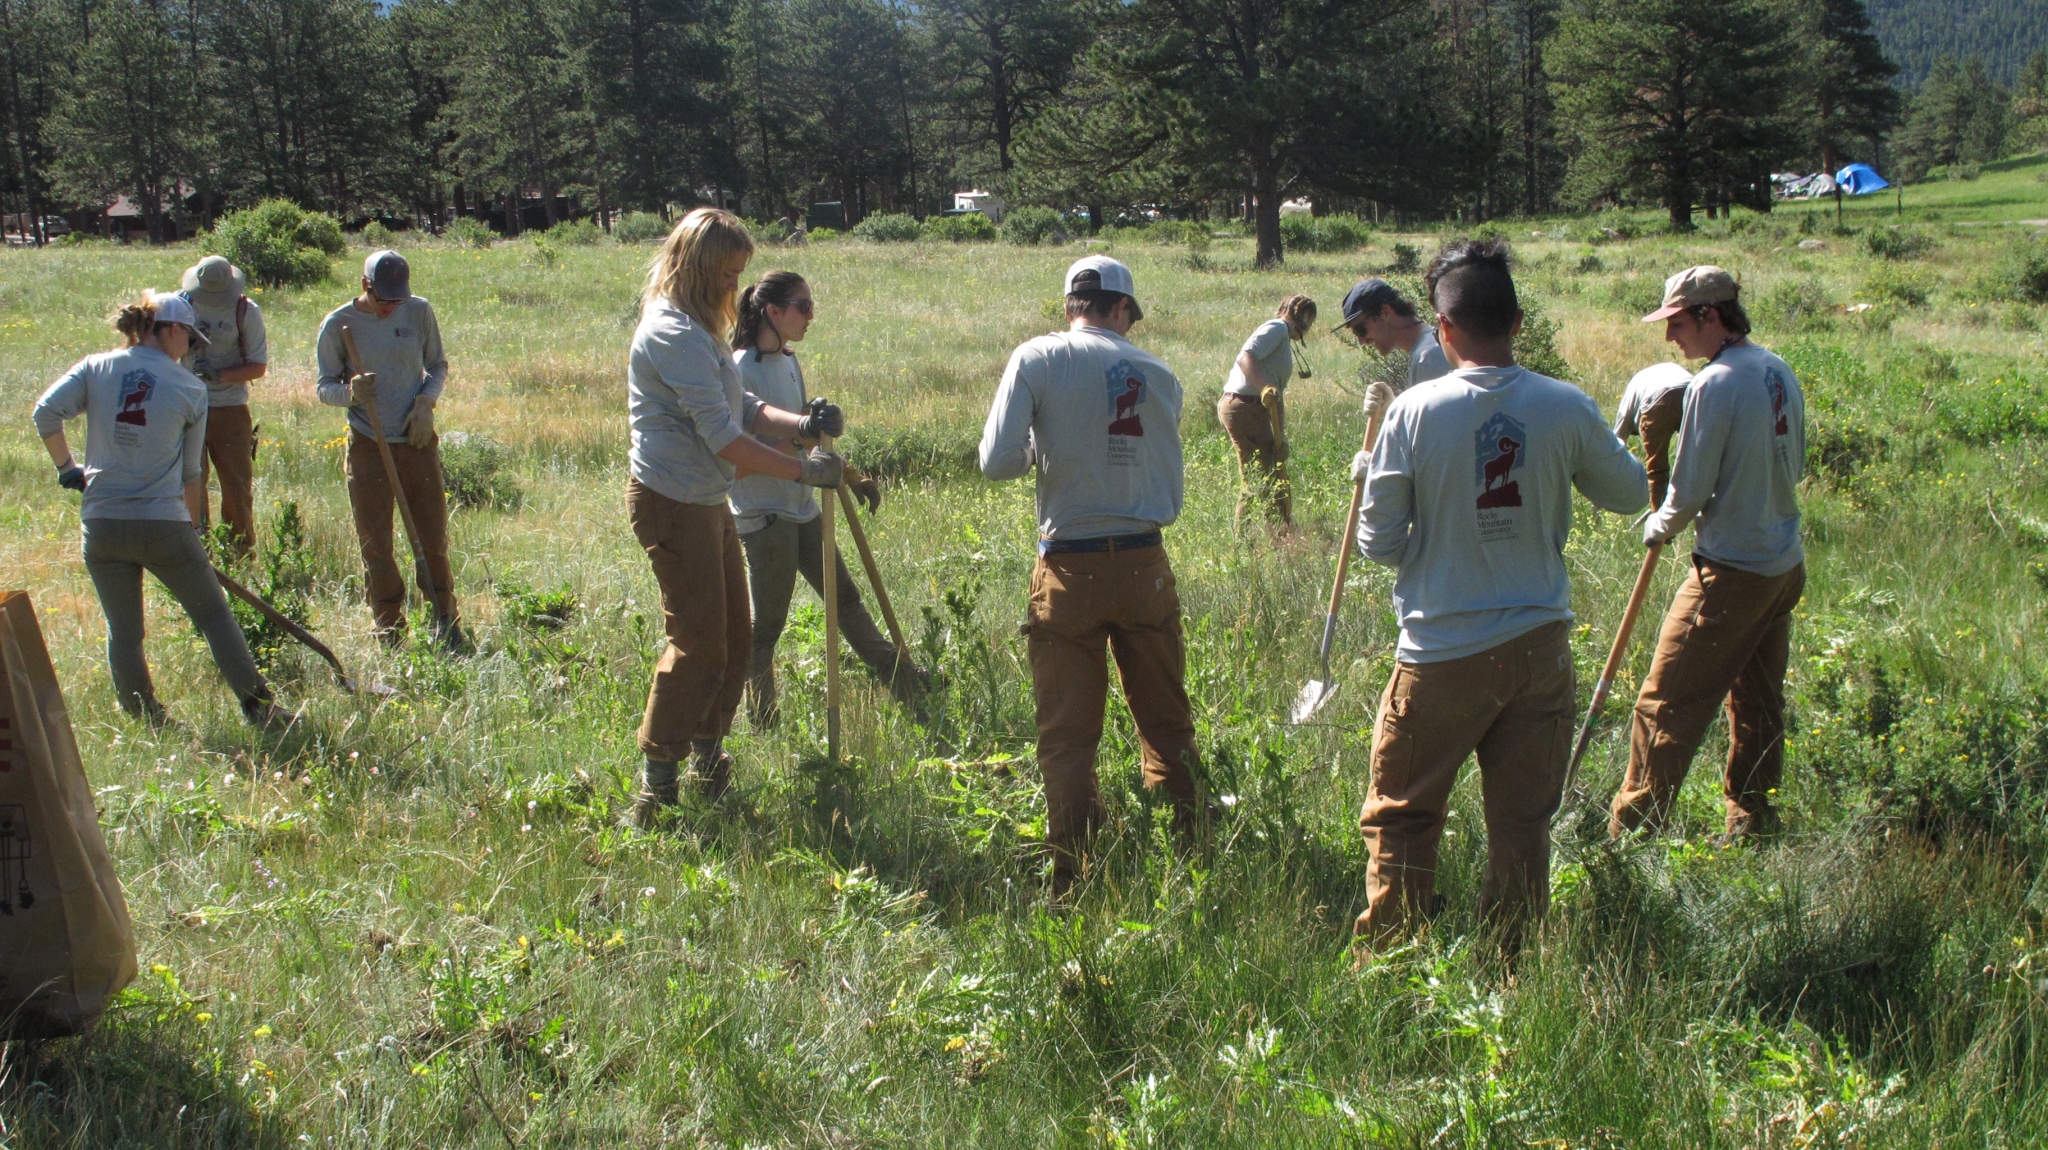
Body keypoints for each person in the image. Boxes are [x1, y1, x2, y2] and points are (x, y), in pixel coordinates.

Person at [1350, 240, 1646, 956]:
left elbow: (1378, 544)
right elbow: (1631, 492)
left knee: (1404, 814)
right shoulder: (1565, 406)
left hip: (1442, 650)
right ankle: (1508, 963)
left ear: (1443, 328)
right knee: (1521, 822)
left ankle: (1391, 961)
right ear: (1516, 321)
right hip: (1537, 648)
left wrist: (1381, 483)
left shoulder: (1415, 413)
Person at [979, 255, 1202, 896]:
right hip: (1144, 562)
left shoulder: (1038, 357)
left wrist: (1036, 447)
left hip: (1068, 567)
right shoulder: (1160, 374)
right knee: (1165, 719)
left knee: (1070, 732)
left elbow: (998, 463)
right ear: (1123, 308)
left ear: (1070, 305)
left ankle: (1072, 870)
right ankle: (1188, 851)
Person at [625, 209, 847, 826]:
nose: (735, 290)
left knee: (735, 636)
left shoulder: (699, 327)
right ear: (696, 269)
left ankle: (708, 755)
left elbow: (743, 406)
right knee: (696, 642)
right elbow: (723, 436)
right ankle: (657, 785)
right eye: (727, 275)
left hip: (705, 499)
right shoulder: (672, 332)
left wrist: (800, 427)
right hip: (673, 501)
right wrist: (804, 470)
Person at [32, 292, 292, 728]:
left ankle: (145, 717)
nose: (191, 348)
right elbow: (192, 474)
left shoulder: (96, 367)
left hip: (101, 525)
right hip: (162, 524)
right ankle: (258, 707)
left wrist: (67, 468)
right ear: (172, 330)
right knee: (212, 615)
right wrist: (196, 534)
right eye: (190, 339)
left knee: (125, 630)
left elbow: (45, 414)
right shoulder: (190, 389)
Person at [1609, 267, 1806, 843]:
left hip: (1733, 571)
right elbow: (1795, 464)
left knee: (1665, 701)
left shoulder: (1716, 383)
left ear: (1709, 315)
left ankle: (1632, 835)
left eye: (1676, 323)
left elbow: (1688, 489)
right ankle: (1752, 820)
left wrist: (1660, 525)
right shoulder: (1776, 368)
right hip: (1783, 564)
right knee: (1758, 698)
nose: (1671, 338)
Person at [728, 269, 930, 728]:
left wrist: (851, 476)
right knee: (767, 630)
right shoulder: (738, 369)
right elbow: (736, 462)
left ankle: (904, 682)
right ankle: (763, 721)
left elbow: (806, 433)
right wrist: (802, 442)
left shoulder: (790, 362)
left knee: (847, 600)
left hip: (803, 509)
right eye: (803, 306)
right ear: (772, 312)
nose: (811, 315)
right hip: (765, 519)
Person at [315, 250, 461, 647]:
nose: (391, 308)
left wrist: (425, 404)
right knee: (375, 541)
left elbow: (438, 365)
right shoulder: (339, 324)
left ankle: (445, 619)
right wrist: (350, 393)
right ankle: (388, 626)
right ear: (365, 286)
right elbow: (323, 387)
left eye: (397, 300)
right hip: (368, 443)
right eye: (384, 301)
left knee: (432, 536)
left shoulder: (418, 312)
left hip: (415, 440)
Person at [179, 255, 268, 557]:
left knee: (237, 484)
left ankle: (240, 550)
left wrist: (220, 375)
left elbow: (257, 366)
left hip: (229, 407)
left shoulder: (246, 311)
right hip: (186, 405)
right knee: (191, 479)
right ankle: (198, 550)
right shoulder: (180, 306)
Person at [1217, 294, 1315, 530]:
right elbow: (1245, 357)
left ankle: (1281, 532)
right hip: (1244, 406)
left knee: (1274, 468)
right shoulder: (1276, 328)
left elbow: (1275, 396)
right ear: (1303, 317)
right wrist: (1264, 388)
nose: (1309, 328)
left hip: (1256, 409)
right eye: (1309, 321)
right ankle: (1245, 544)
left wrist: (1280, 438)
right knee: (1256, 478)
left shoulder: (1282, 339)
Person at [1335, 277, 1453, 392]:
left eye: (1360, 329)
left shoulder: (1428, 358)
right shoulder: (1426, 349)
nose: (1361, 341)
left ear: (1385, 312)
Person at [1612, 361, 1692, 508]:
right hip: (1692, 390)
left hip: (1659, 397)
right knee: (1697, 459)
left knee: (1657, 469)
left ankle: (1659, 522)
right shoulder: (1650, 376)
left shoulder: (1632, 390)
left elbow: (1616, 442)